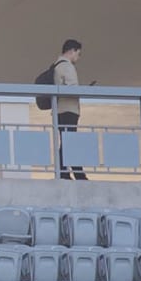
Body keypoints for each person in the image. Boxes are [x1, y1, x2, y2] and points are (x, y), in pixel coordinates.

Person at [53, 38, 87, 181]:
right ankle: (75, 173)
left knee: (67, 142)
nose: (78, 58)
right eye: (78, 54)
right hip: (68, 109)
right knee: (70, 142)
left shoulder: (57, 65)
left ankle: (66, 172)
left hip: (61, 110)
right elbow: (72, 88)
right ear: (72, 51)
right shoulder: (66, 66)